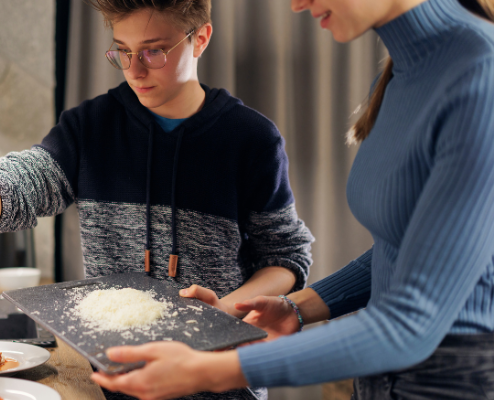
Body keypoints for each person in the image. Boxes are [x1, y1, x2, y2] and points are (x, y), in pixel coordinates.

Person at [0, 1, 314, 399]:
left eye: (154, 53)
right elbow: (21, 182)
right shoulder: (90, 127)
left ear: (200, 38)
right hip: (114, 387)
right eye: (122, 52)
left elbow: (286, 256)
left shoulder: (252, 139)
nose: (135, 71)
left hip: (224, 384)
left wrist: (223, 310)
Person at [91, 0, 494, 399]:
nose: (298, 3)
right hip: (381, 379)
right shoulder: (402, 72)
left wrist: (213, 370)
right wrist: (297, 308)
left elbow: (413, 324)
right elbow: (404, 251)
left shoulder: (481, 73)